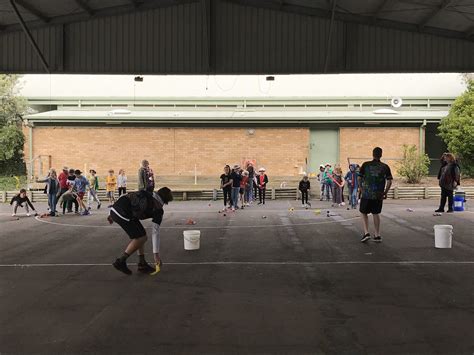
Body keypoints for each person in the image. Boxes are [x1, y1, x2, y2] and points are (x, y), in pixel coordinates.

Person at [108, 187, 173, 275]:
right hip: (124, 213)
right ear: (167, 200)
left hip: (116, 209)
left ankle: (142, 264)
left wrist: (112, 213)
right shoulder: (158, 210)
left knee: (141, 234)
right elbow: (155, 232)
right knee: (141, 238)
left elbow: (127, 196)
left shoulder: (148, 193)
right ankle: (121, 261)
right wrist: (156, 255)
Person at [358, 147, 393, 243]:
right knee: (376, 213)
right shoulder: (385, 167)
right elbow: (389, 181)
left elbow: (359, 178)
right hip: (378, 195)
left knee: (363, 212)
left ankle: (366, 233)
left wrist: (361, 189)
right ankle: (377, 235)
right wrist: (385, 192)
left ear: (372, 154)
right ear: (381, 155)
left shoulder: (366, 165)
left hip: (366, 194)